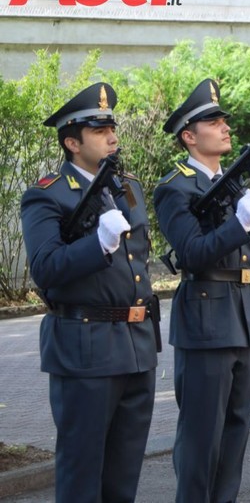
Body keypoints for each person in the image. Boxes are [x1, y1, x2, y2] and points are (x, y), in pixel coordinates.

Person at [21, 82, 158, 503]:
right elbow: (45, 269)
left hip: (136, 344)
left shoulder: (127, 186)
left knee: (124, 470)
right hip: (85, 343)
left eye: (112, 127)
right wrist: (96, 244)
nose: (113, 136)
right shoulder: (47, 195)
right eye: (99, 131)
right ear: (71, 142)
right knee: (82, 471)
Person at [153, 78, 250, 503]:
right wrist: (238, 224)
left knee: (237, 430)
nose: (224, 127)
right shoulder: (175, 187)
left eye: (224, 120)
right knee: (202, 435)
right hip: (205, 316)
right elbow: (193, 253)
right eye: (213, 121)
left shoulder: (232, 182)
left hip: (242, 315)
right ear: (189, 135)